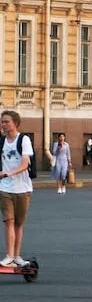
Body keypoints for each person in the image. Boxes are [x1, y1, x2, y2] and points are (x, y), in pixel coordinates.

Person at [0, 112, 35, 267]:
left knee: (19, 223)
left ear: (15, 123)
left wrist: (8, 172)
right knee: (9, 221)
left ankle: (17, 256)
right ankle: (9, 255)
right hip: (5, 188)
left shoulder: (24, 140)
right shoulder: (1, 141)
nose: (3, 124)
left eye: (6, 121)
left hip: (23, 188)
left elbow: (25, 164)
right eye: (2, 122)